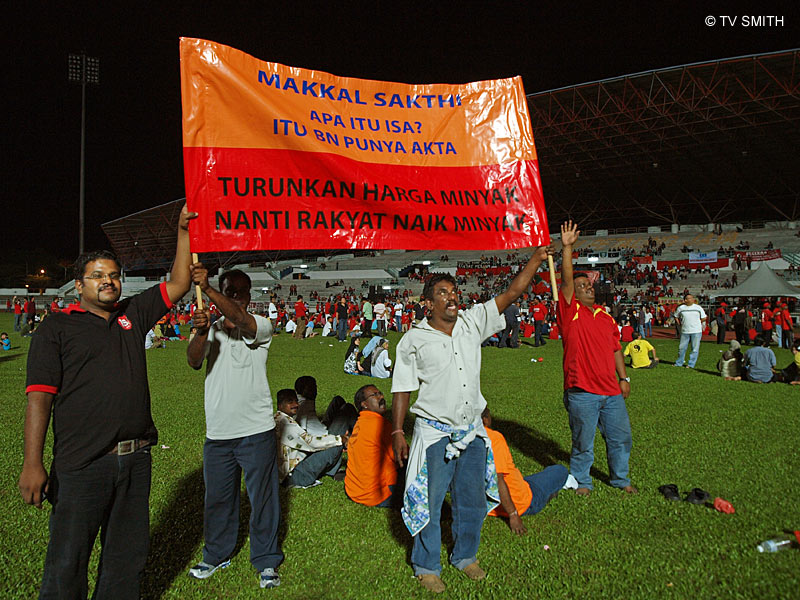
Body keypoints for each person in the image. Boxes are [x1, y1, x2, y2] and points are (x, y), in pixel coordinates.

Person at [19, 204, 196, 599]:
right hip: (82, 463)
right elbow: (39, 399)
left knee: (125, 559)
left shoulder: (133, 313)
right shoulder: (57, 328)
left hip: (135, 460)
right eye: (97, 276)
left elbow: (180, 282)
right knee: (68, 561)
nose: (108, 282)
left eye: (114, 275)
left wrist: (183, 231)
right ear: (78, 285)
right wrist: (32, 463)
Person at [391, 244, 551, 593]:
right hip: (434, 434)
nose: (452, 297)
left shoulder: (472, 322)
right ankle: (426, 565)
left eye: (454, 291)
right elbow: (402, 387)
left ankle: (465, 555)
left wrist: (537, 259)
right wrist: (397, 431)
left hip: (472, 431)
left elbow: (512, 293)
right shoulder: (414, 339)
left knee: (472, 500)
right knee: (429, 502)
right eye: (442, 292)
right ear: (427, 302)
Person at [186, 265, 283, 588]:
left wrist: (208, 289)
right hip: (218, 432)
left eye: (241, 293)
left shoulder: (260, 325)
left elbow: (240, 318)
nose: (237, 298)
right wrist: (201, 332)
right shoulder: (210, 327)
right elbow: (193, 360)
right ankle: (216, 554)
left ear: (249, 296)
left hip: (256, 429)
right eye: (231, 292)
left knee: (263, 499)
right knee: (218, 499)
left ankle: (266, 560)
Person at [557, 221, 637, 497]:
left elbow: (616, 349)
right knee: (583, 441)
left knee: (621, 437)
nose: (588, 288)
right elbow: (566, 281)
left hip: (611, 391)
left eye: (589, 284)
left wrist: (624, 378)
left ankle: (620, 478)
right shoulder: (570, 312)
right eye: (581, 286)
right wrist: (567, 248)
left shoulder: (606, 317)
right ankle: (582, 481)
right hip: (582, 391)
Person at [482, 408, 567, 535]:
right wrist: (513, 514)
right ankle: (549, 495)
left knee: (529, 480)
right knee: (560, 470)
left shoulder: (462, 438)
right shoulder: (493, 438)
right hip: (522, 501)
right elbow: (497, 480)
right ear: (485, 420)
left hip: (487, 505)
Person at [275, 389, 349, 488]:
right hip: (297, 476)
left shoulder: (279, 418)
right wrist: (340, 439)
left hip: (292, 472)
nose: (296, 404)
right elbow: (311, 443)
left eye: (296, 401)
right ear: (280, 406)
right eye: (290, 402)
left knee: (341, 406)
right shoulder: (285, 424)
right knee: (337, 439)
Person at [345, 385, 404, 508]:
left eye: (380, 393)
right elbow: (402, 456)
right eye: (375, 395)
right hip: (377, 494)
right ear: (364, 404)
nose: (381, 397)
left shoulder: (360, 424)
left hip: (354, 491)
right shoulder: (380, 424)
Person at [674, 293, 707, 369]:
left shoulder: (698, 308)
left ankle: (691, 364)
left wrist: (698, 323)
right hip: (685, 331)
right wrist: (679, 324)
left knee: (695, 349)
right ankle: (679, 362)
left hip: (696, 331)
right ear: (685, 300)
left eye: (692, 298)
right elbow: (676, 316)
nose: (692, 299)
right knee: (682, 348)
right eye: (689, 298)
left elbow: (704, 317)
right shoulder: (681, 308)